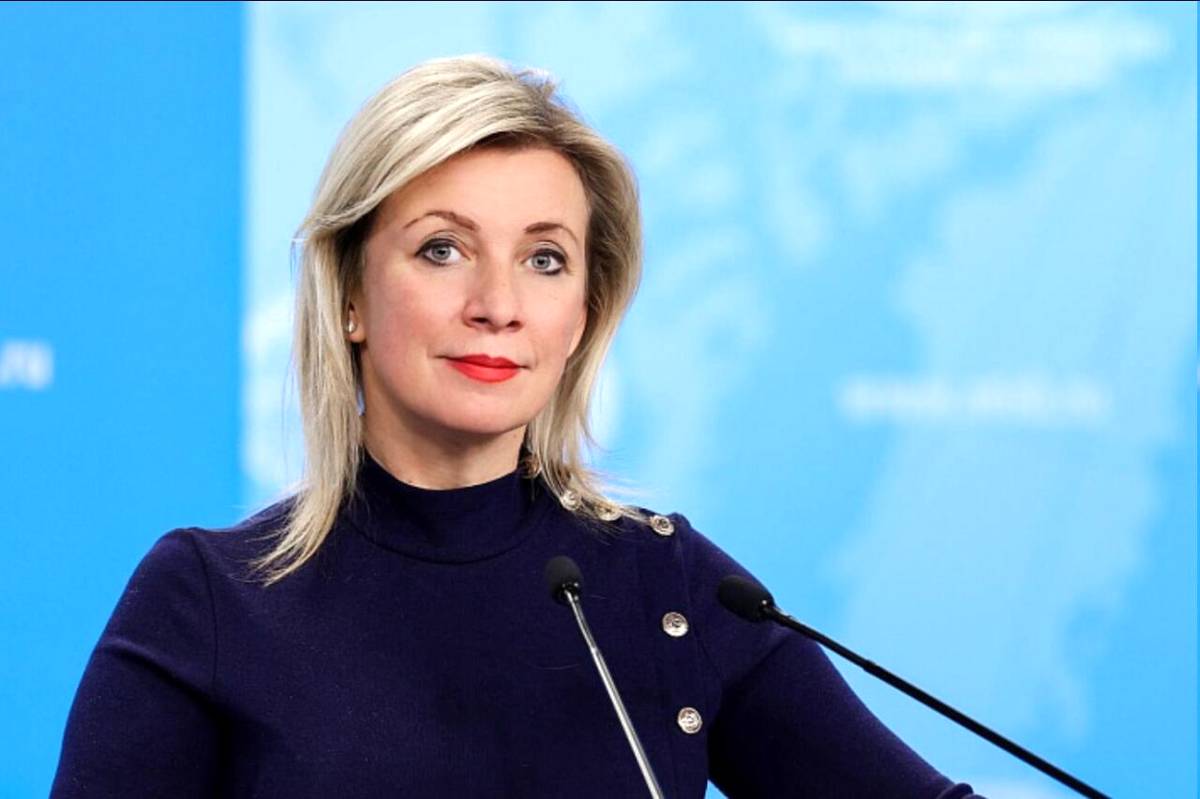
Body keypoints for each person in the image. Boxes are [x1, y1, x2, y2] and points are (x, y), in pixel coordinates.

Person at [51, 55, 981, 798]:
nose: (497, 304)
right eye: (442, 249)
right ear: (349, 296)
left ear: (580, 316)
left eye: (544, 259)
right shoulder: (210, 599)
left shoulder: (669, 590)